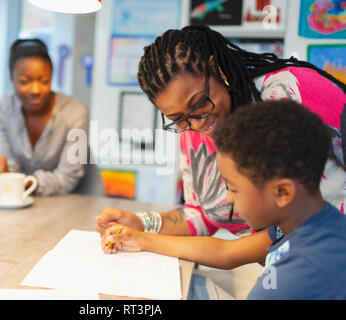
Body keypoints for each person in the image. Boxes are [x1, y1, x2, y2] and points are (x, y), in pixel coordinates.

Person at [96, 25, 345, 269]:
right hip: (290, 268)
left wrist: (146, 240)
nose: (196, 122)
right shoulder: (192, 127)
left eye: (198, 103)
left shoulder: (281, 95)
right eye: (178, 118)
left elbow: (304, 217)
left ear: (215, 68)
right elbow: (200, 215)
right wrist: (143, 223)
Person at [102, 101, 346, 299]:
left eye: (233, 188)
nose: (228, 198)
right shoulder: (308, 222)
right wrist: (140, 238)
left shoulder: (298, 273)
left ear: (283, 193)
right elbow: (224, 251)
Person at [0, 39, 89, 200]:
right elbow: (8, 168)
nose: (35, 90)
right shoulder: (4, 109)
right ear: (12, 79)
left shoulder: (75, 113)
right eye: (24, 81)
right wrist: (1, 181)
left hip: (70, 199)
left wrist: (14, 182)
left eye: (44, 81)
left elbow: (67, 178)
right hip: (25, 200)